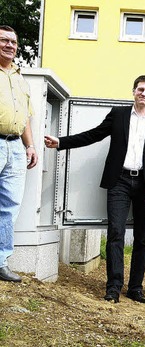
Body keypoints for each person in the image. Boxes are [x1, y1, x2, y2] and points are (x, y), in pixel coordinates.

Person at [44, 75, 145, 304]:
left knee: (142, 238)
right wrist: (61, 142)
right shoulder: (119, 115)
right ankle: (113, 287)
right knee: (115, 234)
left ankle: (135, 288)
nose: (144, 93)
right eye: (140, 89)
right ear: (133, 91)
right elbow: (93, 135)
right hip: (119, 181)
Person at [0, 25, 38, 283]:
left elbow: (25, 117)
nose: (9, 45)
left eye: (13, 41)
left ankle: (1, 262)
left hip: (15, 147)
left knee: (10, 207)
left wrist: (30, 145)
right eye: (4, 40)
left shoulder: (19, 77)